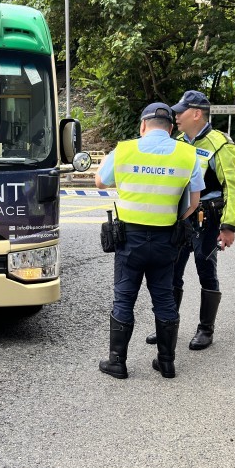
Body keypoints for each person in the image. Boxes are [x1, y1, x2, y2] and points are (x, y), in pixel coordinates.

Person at [96, 102, 203, 379]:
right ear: (170, 128)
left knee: (124, 299)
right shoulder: (188, 154)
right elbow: (193, 203)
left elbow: (100, 182)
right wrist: (171, 217)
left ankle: (117, 363)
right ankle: (166, 363)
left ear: (143, 126)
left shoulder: (124, 150)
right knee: (164, 299)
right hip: (166, 239)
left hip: (129, 240)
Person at [145, 90, 235, 351]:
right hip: (182, 218)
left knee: (205, 269)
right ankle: (169, 325)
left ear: (197, 114)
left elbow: (234, 188)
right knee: (172, 271)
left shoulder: (220, 145)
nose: (176, 116)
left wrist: (228, 226)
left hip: (209, 218)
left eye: (181, 111)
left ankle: (205, 329)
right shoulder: (177, 143)